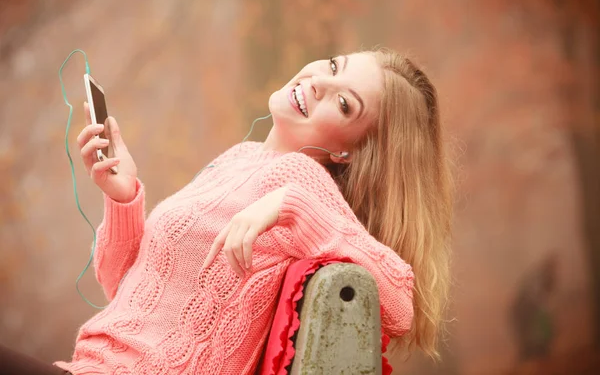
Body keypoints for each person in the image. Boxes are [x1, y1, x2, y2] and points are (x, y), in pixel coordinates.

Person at [2, 47, 453, 374]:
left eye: (344, 103)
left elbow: (400, 302)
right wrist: (123, 199)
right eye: (334, 66)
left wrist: (292, 204)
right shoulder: (240, 158)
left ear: (348, 154)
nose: (320, 79)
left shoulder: (302, 183)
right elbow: (125, 289)